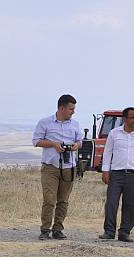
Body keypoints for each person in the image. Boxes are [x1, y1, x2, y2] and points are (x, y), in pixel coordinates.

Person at [99, 107, 134, 242]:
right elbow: (107, 152)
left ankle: (124, 232)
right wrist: (105, 170)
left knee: (130, 204)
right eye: (133, 117)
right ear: (125, 119)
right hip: (116, 174)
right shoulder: (114, 133)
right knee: (111, 202)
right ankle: (109, 231)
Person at [32, 94, 83, 240]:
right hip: (50, 167)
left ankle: (58, 229)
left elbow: (80, 142)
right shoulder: (45, 123)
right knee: (49, 199)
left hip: (69, 167)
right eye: (71, 109)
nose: (73, 112)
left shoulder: (75, 124)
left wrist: (75, 146)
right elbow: (36, 141)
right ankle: (45, 230)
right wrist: (54, 145)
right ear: (62, 108)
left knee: (63, 200)